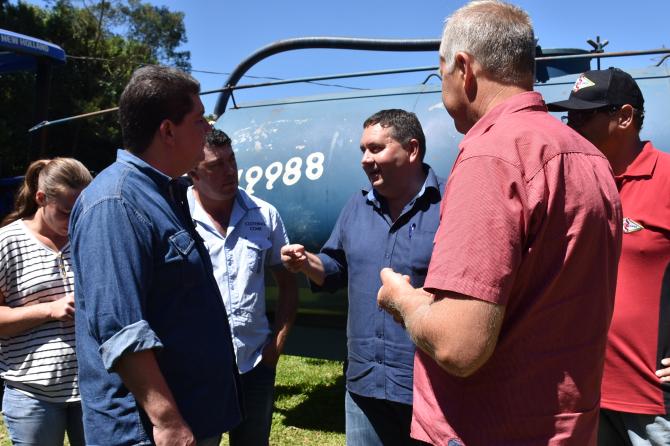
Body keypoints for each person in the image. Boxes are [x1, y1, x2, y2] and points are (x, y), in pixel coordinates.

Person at [376, 2, 622, 445]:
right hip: (566, 427)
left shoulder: (492, 154)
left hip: (485, 428)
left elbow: (459, 346)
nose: (442, 85)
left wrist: (404, 301)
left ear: (464, 68)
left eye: (441, 73)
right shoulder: (591, 158)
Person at [69, 65, 242, 446]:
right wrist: (167, 421)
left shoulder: (164, 194)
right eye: (199, 120)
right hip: (148, 432)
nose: (208, 129)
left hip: (192, 416)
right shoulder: (116, 202)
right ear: (167, 131)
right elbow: (120, 328)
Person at [281, 109, 444, 446]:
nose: (365, 160)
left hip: (429, 387)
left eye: (376, 148)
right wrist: (307, 262)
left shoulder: (449, 204)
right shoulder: (357, 206)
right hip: (364, 385)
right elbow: (335, 267)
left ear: (412, 149)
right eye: (363, 150)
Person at [548, 68, 670, 446]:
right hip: (581, 397)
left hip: (652, 405)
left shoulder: (667, 178)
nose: (572, 127)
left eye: (584, 116)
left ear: (625, 117)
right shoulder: (571, 185)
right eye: (569, 117)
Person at [187, 128, 298, 446]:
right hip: (198, 369)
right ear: (193, 173)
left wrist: (276, 346)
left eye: (232, 160)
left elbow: (288, 284)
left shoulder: (264, 215)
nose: (230, 171)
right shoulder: (178, 217)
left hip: (255, 365)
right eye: (215, 165)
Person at [0, 157, 91, 446]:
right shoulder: (7, 242)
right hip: (32, 394)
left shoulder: (88, 237)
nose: (74, 221)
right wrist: (49, 310)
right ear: (41, 199)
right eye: (66, 212)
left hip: (92, 391)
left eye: (81, 211)